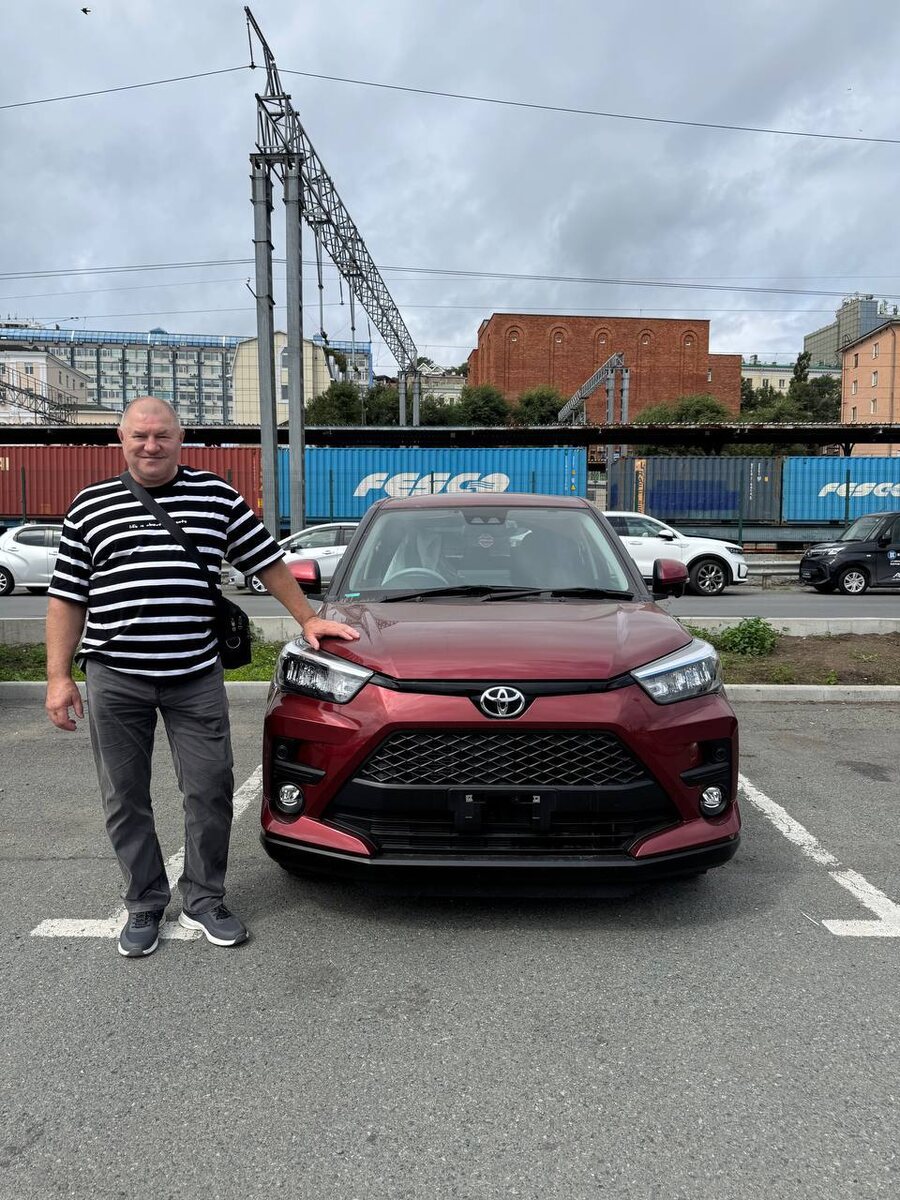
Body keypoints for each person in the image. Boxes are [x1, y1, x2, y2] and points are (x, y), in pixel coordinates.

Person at [44, 396, 359, 958]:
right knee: (125, 795)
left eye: (162, 434)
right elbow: (67, 597)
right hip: (116, 676)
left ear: (179, 438)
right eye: (140, 435)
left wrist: (309, 619)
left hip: (194, 674)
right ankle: (144, 901)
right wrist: (57, 677)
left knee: (211, 788)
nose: (151, 445)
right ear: (121, 439)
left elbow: (266, 561)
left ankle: (205, 898)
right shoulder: (90, 505)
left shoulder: (217, 496)